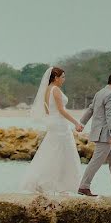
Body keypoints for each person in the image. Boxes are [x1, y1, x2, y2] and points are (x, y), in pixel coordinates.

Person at [20, 66, 84, 194]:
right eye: (63, 77)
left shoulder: (46, 90)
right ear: (56, 78)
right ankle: (61, 186)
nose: (64, 79)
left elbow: (48, 110)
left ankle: (47, 183)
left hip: (53, 123)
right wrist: (76, 122)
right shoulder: (55, 90)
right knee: (64, 154)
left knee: (51, 153)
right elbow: (61, 110)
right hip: (60, 125)